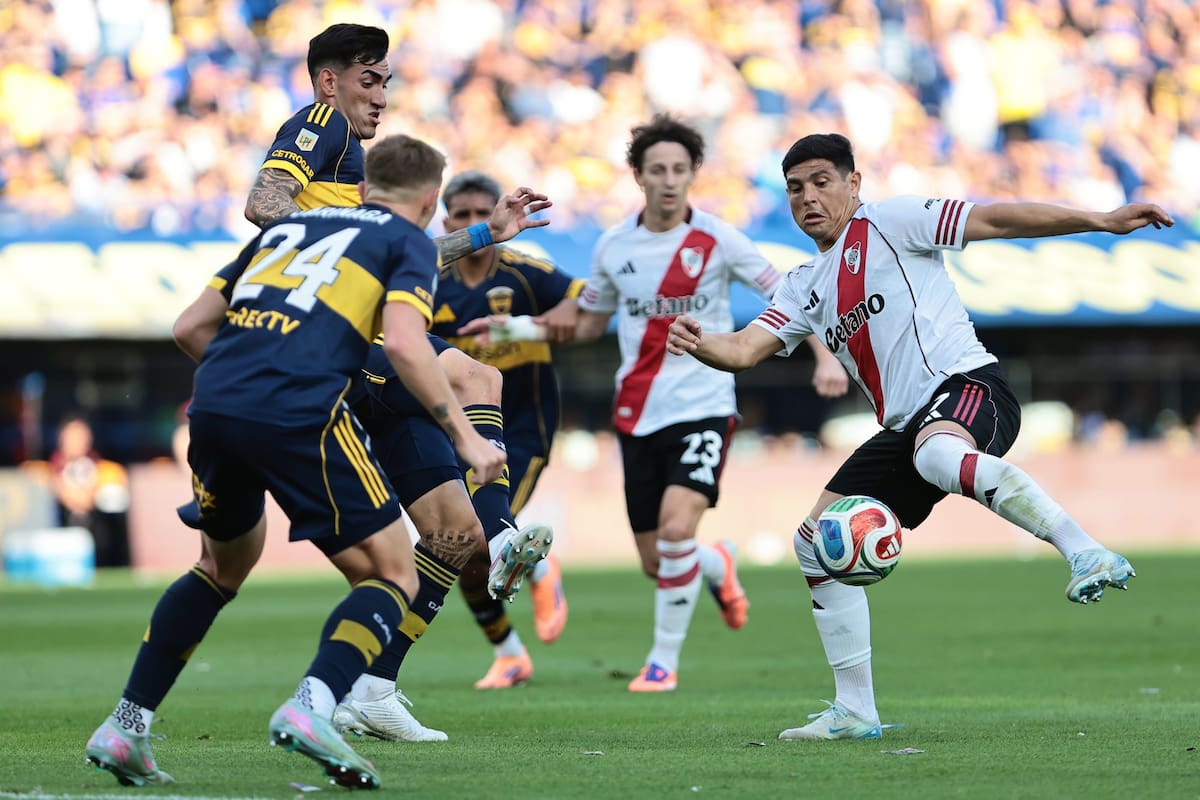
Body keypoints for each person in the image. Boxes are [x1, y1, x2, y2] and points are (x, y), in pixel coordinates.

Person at [666, 132, 1170, 738]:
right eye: (796, 188)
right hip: (907, 428)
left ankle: (1084, 549)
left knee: (937, 453)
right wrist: (700, 344)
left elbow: (998, 219)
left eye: (822, 181)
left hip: (968, 386)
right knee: (814, 542)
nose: (808, 198)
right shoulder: (804, 284)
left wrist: (1099, 219)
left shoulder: (892, 221)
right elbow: (745, 348)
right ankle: (855, 711)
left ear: (854, 183)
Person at [83, 134, 516, 789]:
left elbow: (189, 327)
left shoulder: (289, 230)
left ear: (367, 188)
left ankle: (125, 725)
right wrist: (466, 436)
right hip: (299, 409)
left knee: (220, 566)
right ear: (430, 202)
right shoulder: (404, 245)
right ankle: (315, 704)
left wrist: (247, 380)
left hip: (215, 402)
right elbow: (402, 342)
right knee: (395, 571)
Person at [243, 22, 553, 741]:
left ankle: (376, 686)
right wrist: (342, 238)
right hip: (344, 348)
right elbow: (262, 203)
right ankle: (506, 536)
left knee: (449, 535)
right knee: (475, 371)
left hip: (358, 356)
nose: (381, 94)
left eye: (386, 80)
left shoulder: (353, 166)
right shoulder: (319, 122)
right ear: (330, 81)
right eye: (369, 78)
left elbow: (395, 253)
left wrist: (486, 235)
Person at [566, 115, 849, 692]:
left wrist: (823, 356)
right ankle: (717, 562)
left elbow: (789, 294)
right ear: (638, 177)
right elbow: (587, 321)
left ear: (693, 173)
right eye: (656, 170)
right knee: (657, 560)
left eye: (678, 169)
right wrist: (514, 326)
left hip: (704, 403)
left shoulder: (719, 238)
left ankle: (662, 663)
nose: (669, 180)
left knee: (674, 533)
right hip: (637, 408)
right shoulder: (612, 244)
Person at [430, 170, 582, 688]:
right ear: (447, 221)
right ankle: (511, 653)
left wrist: (556, 314)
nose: (475, 223)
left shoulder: (523, 272)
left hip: (521, 426)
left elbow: (582, 303)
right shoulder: (432, 282)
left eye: (482, 212)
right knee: (456, 545)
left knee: (476, 534)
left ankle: (539, 569)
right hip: (457, 431)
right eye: (464, 216)